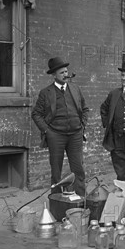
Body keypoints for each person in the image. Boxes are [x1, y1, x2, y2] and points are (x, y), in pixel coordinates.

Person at [32, 57, 89, 195]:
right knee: (56, 172)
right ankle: (56, 200)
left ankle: (81, 199)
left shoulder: (75, 89)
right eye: (62, 72)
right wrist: (47, 131)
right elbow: (36, 114)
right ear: (54, 75)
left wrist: (82, 126)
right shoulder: (46, 93)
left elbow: (85, 109)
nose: (65, 75)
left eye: (66, 71)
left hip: (75, 135)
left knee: (78, 169)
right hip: (56, 136)